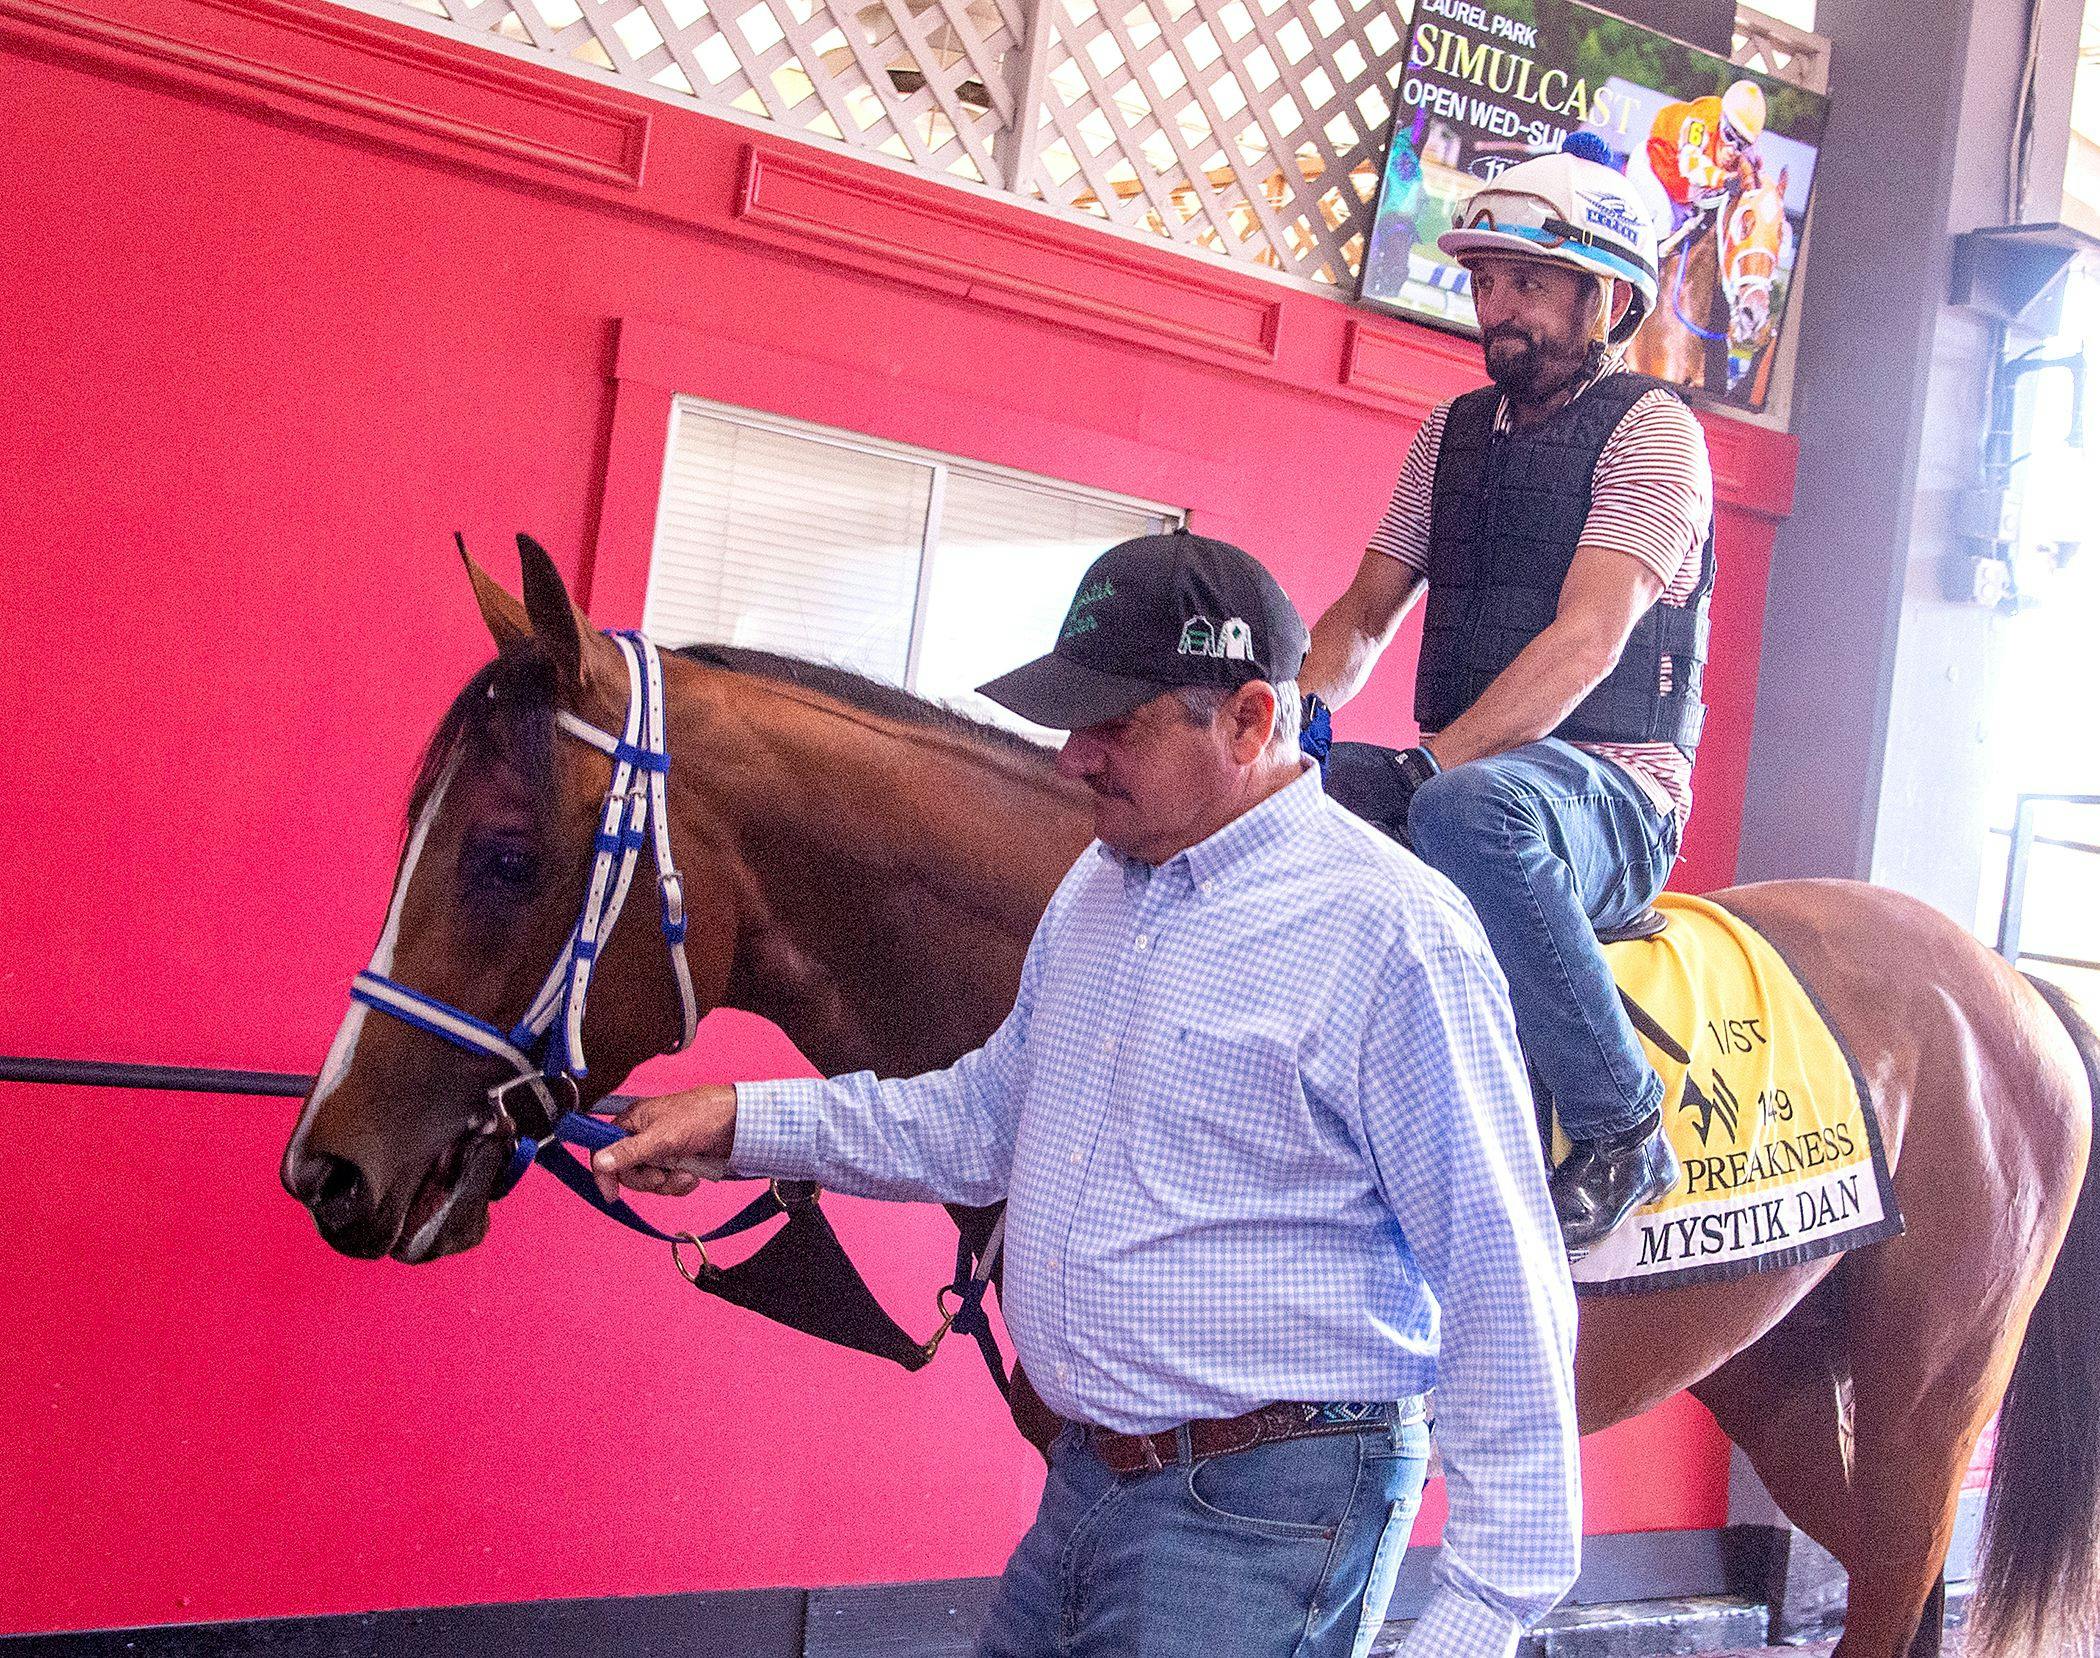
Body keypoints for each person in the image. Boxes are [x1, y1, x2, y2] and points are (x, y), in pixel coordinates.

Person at [593, 532, 1580, 1658]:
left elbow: (1502, 1273)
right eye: (1071, 720)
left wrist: (1485, 1608)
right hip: (1085, 1483)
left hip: (1263, 1518)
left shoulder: (1393, 934)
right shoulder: (1103, 887)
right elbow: (981, 1119)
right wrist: (741, 1123)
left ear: (1251, 722)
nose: (1072, 758)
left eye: (1114, 724)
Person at [1302, 143, 1716, 1256]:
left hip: (1611, 792)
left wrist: (1432, 767)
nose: (1497, 307)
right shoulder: (1449, 434)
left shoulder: (1655, 432)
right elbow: (1363, 613)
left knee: (1467, 811)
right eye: (1486, 281)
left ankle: (1623, 1125)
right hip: (1478, 765)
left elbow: (1587, 642)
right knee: (1290, 801)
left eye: (1528, 282)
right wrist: (1283, 739)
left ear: (1608, 297)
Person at [1642, 79, 1767, 237]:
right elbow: (1690, 166)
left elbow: (1760, 185)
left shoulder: (1749, 150)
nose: (1732, 150)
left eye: (1741, 145)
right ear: (1722, 121)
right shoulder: (1702, 119)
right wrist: (1724, 179)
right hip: (1652, 169)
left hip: (1683, 197)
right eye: (1729, 136)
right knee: (1661, 222)